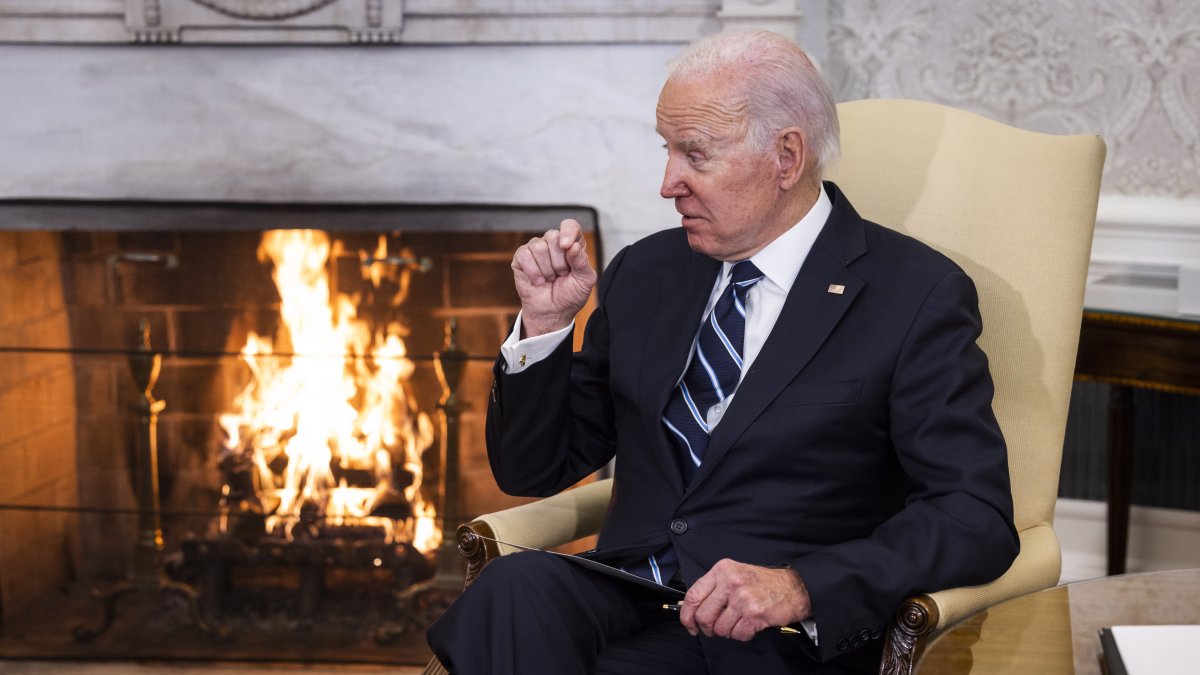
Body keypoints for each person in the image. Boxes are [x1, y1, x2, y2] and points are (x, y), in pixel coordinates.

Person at [427, 28, 1018, 675]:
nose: (667, 183)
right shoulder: (645, 271)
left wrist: (801, 583)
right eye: (667, 151)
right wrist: (543, 326)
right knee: (514, 586)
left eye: (695, 155)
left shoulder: (913, 294)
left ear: (786, 156)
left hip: (772, 634)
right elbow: (531, 469)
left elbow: (972, 514)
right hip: (627, 589)